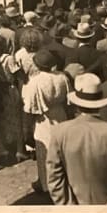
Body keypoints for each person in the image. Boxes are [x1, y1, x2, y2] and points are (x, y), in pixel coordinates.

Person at [47, 73, 107, 205]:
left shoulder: (59, 133)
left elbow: (54, 178)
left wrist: (68, 206)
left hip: (74, 212)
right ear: (101, 102)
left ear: (76, 103)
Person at [22, 49, 70, 193]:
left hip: (44, 120)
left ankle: (47, 185)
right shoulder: (62, 77)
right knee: (62, 151)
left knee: (45, 153)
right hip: (61, 115)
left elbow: (29, 109)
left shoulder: (35, 82)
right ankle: (63, 181)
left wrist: (26, 129)